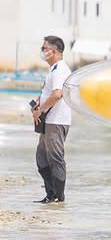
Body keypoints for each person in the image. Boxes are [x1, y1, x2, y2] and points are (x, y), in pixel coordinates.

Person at [32, 35, 72, 204]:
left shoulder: (60, 70)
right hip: (50, 121)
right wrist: (37, 103)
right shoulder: (54, 69)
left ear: (53, 51)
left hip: (57, 121)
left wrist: (40, 110)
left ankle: (58, 198)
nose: (42, 51)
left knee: (55, 158)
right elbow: (50, 93)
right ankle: (51, 194)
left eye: (44, 48)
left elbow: (57, 94)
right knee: (42, 158)